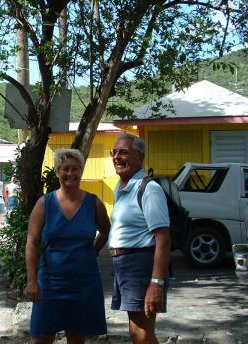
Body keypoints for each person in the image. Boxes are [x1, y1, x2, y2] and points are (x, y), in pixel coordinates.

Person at [25, 149, 110, 344]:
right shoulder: (44, 203)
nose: (70, 173)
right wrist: (31, 280)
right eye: (65, 169)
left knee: (76, 339)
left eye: (75, 169)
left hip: (84, 283)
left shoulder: (93, 203)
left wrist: (94, 250)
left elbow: (105, 230)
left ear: (81, 171)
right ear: (57, 172)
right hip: (50, 282)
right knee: (39, 339)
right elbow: (31, 242)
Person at [109, 133, 171, 344]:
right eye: (114, 152)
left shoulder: (149, 189)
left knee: (141, 335)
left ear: (139, 157)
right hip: (124, 265)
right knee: (138, 334)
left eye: (123, 152)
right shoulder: (121, 187)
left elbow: (163, 239)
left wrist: (156, 283)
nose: (117, 157)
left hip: (140, 265)